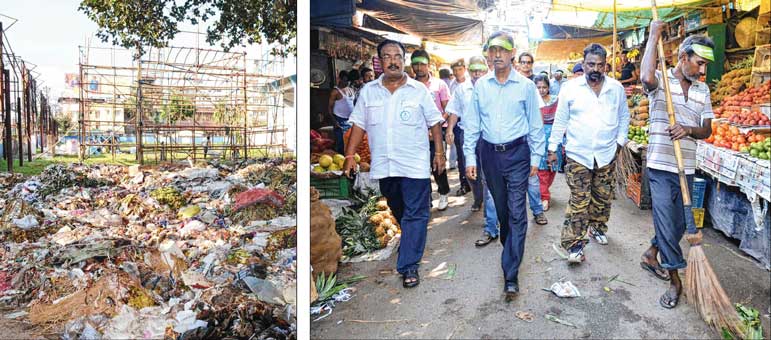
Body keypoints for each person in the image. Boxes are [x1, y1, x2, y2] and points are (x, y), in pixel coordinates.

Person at [344, 39, 445, 288]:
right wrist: (349, 155)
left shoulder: (418, 90)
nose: (393, 60)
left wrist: (439, 153)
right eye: (387, 56)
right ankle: (410, 240)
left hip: (414, 164)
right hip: (385, 165)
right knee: (399, 209)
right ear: (379, 62)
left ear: (404, 60)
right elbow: (358, 124)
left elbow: (434, 122)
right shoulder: (369, 91)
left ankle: (409, 265)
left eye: (398, 56)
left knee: (416, 213)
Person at [463, 31, 545, 298]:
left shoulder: (525, 87)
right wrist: (471, 158)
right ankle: (510, 244)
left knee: (517, 211)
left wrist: (535, 158)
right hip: (490, 155)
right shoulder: (481, 86)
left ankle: (511, 273)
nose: (497, 54)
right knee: (502, 212)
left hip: (518, 154)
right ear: (487, 54)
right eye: (492, 50)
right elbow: (472, 124)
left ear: (512, 53)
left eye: (502, 50)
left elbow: (535, 125)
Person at [639, 24, 715, 309]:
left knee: (681, 223)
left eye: (705, 65)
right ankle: (675, 279)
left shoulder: (702, 89)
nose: (702, 70)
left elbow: (707, 129)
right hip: (660, 166)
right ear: (683, 57)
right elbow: (646, 77)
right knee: (667, 223)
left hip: (687, 167)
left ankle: (650, 253)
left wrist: (688, 129)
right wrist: (653, 36)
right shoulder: (660, 79)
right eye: (699, 63)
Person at [547, 43, 630, 263]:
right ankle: (573, 244)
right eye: (591, 64)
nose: (595, 68)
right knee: (579, 200)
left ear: (606, 66)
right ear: (583, 64)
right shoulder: (570, 89)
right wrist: (552, 147)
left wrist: (619, 144)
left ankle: (597, 228)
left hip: (606, 153)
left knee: (603, 197)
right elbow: (561, 120)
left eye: (600, 65)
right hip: (577, 154)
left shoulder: (616, 89)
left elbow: (624, 118)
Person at [447, 56, 500, 246]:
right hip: (467, 137)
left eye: (480, 70)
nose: (477, 73)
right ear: (469, 71)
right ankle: (478, 198)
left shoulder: (493, 87)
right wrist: (450, 130)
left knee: (488, 179)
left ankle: (490, 225)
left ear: (486, 70)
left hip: (488, 139)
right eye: (474, 70)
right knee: (471, 174)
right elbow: (454, 111)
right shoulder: (461, 89)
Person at [412, 49, 451, 211]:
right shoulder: (409, 85)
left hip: (437, 132)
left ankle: (443, 193)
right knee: (420, 167)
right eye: (416, 65)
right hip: (416, 133)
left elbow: (447, 108)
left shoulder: (439, 85)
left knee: (437, 164)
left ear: (429, 65)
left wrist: (434, 127)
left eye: (422, 64)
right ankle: (426, 199)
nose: (419, 68)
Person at [516, 52, 548, 225]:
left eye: (529, 62)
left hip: (529, 140)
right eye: (523, 62)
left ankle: (537, 211)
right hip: (513, 142)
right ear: (518, 64)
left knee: (532, 178)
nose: (526, 65)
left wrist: (539, 139)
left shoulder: (532, 85)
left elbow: (539, 115)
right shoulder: (509, 84)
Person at [534, 75, 563, 211]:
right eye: (538, 87)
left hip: (553, 138)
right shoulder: (532, 101)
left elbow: (561, 119)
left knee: (552, 169)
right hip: (538, 138)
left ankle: (544, 192)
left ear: (548, 88)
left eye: (544, 87)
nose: (541, 90)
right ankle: (544, 197)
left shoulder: (556, 100)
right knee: (541, 171)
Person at [446, 59, 471, 196]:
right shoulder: (452, 85)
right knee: (462, 156)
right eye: (454, 70)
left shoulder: (474, 81)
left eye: (459, 69)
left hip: (472, 123)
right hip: (458, 123)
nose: (457, 73)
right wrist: (449, 128)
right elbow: (453, 108)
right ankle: (464, 183)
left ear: (465, 69)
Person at [328, 70, 355, 154]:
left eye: (348, 81)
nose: (347, 82)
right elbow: (329, 108)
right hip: (340, 120)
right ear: (340, 79)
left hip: (351, 120)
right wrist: (334, 121)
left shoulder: (351, 90)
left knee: (350, 143)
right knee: (341, 145)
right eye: (345, 80)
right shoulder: (335, 92)